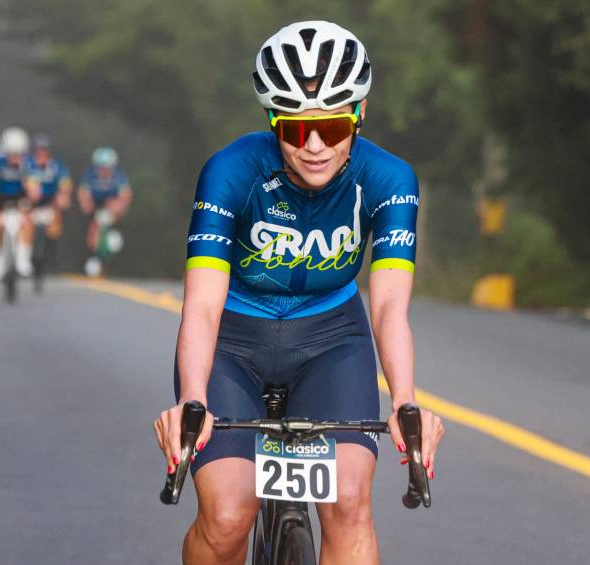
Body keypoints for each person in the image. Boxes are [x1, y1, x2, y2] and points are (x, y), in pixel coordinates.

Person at [154, 21, 444, 565]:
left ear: (358, 115)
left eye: (331, 128)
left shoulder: (389, 179)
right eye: (294, 129)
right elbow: (202, 305)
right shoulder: (230, 170)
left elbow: (388, 307)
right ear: (273, 121)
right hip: (233, 345)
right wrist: (192, 399)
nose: (313, 147)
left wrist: (406, 401)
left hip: (332, 341)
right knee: (227, 516)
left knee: (350, 504)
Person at [0, 127, 37, 280]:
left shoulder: (29, 162)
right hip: (0, 197)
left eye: (19, 153)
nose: (15, 157)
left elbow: (34, 189)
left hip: (20, 197)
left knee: (27, 221)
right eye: (12, 153)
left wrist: (30, 191)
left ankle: (24, 256)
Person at [77, 147, 131, 260]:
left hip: (111, 205)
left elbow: (126, 196)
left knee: (110, 215)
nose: (104, 170)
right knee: (94, 228)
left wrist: (115, 210)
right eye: (101, 167)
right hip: (96, 204)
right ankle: (93, 255)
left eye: (107, 167)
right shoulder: (89, 175)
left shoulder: (119, 177)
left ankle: (111, 239)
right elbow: (83, 194)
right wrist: (88, 206)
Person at [26, 134, 73, 240]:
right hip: (30, 202)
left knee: (63, 202)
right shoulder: (28, 163)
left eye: (45, 149)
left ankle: (52, 238)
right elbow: (24, 180)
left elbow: (66, 182)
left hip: (51, 201)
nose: (42, 153)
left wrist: (63, 193)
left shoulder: (57, 164)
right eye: (39, 150)